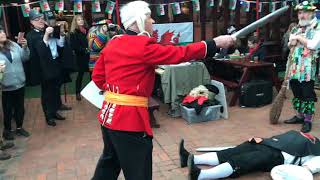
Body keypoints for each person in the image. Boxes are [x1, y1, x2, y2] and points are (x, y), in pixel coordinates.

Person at [91, 1, 235, 179]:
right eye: (149, 17)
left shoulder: (114, 43)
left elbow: (97, 77)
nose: (152, 21)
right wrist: (214, 43)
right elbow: (180, 53)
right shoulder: (142, 46)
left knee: (109, 163)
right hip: (129, 120)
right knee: (138, 170)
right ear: (138, 21)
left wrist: (116, 92)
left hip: (108, 115)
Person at [179, 130, 320, 180]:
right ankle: (192, 159)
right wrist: (263, 139)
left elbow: (307, 169)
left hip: (277, 158)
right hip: (269, 144)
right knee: (231, 152)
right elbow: (285, 139)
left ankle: (200, 176)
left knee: (241, 161)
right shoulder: (313, 139)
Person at [26, 9, 68, 127]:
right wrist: (45, 35)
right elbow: (40, 51)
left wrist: (61, 35)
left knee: (55, 89)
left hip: (55, 63)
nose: (40, 20)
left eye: (41, 18)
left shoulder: (48, 30)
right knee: (47, 92)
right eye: (36, 19)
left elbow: (60, 45)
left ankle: (54, 112)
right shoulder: (31, 35)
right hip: (43, 68)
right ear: (31, 22)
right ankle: (48, 116)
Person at [283, 1, 320, 133]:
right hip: (294, 66)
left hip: (308, 68)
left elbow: (313, 45)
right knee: (297, 93)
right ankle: (299, 116)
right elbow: (290, 44)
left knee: (307, 95)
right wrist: (294, 40)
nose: (302, 15)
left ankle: (308, 120)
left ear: (311, 13)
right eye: (299, 12)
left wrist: (298, 38)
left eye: (304, 12)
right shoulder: (296, 28)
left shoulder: (318, 27)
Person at [0, 25, 30, 140]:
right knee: (7, 109)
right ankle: (7, 130)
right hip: (6, 86)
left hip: (20, 83)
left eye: (3, 32)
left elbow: (25, 58)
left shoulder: (13, 44)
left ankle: (19, 127)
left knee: (20, 108)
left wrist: (25, 47)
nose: (2, 34)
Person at [70, 15, 89, 101]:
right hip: (81, 57)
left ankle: (94, 91)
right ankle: (77, 92)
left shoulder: (88, 30)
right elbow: (74, 47)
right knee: (80, 75)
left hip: (90, 56)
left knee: (93, 74)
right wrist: (85, 49)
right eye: (78, 20)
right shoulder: (74, 33)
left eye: (82, 19)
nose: (81, 21)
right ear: (75, 22)